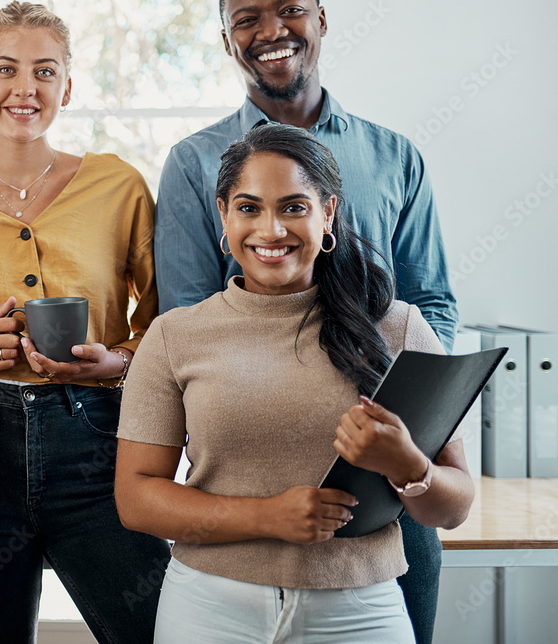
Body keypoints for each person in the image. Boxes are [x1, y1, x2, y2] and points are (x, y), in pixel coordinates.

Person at [153, 0, 457, 643]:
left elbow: (432, 307)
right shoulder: (195, 163)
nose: (271, 30)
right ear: (227, 39)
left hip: (391, 476)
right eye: (247, 19)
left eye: (290, 10)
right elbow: (188, 319)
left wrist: (400, 442)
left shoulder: (394, 156)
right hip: (248, 487)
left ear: (320, 19)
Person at [117, 123, 474, 643]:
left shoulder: (398, 328)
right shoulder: (175, 336)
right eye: (248, 208)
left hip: (361, 609)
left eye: (293, 207)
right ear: (223, 214)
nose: (271, 230)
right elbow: (136, 499)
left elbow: (456, 506)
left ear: (327, 212)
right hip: (209, 608)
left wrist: (407, 464)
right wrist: (266, 517)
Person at [0, 1, 171, 644]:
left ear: (67, 86)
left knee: (153, 633)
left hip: (101, 449)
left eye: (44, 71)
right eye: (5, 69)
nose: (24, 88)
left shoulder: (119, 186)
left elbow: (175, 324)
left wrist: (118, 364)